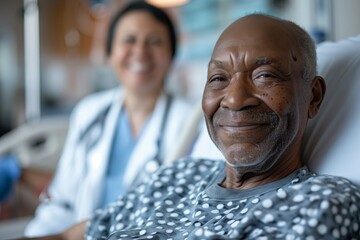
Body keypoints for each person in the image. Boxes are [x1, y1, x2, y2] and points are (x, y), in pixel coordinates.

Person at [32, 13, 360, 240]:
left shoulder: (318, 204)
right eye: (218, 78)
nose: (234, 99)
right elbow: (67, 234)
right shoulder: (174, 177)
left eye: (264, 76)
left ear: (313, 96)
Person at [24, 1, 192, 237]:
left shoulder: (190, 122)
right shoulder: (89, 112)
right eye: (129, 40)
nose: (141, 51)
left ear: (172, 54)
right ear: (111, 52)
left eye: (154, 41)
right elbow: (62, 203)